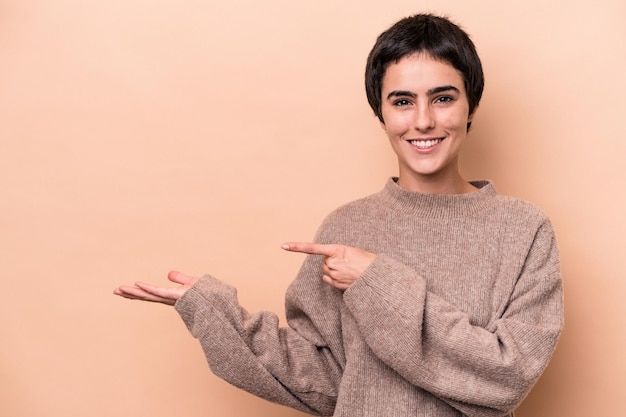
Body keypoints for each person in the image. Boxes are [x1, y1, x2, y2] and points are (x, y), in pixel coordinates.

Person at [114, 13, 563, 417]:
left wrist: (377, 283)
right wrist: (218, 316)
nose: (423, 120)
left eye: (442, 98)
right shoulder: (347, 229)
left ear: (471, 107)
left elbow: (507, 376)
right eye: (402, 102)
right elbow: (324, 381)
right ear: (380, 113)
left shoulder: (523, 230)